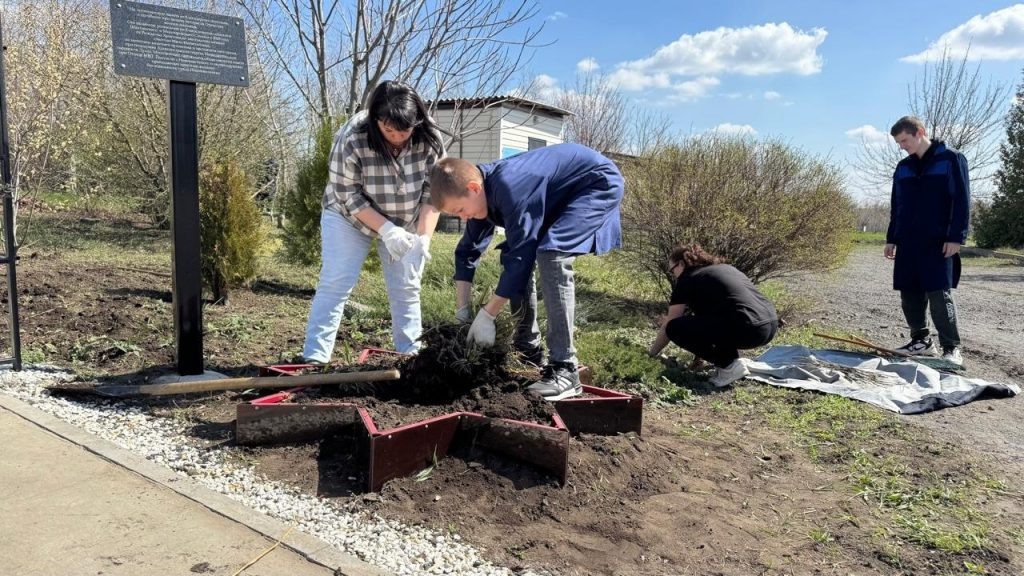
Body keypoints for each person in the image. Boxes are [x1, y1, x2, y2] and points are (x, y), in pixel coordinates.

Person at [429, 143, 624, 401]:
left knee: (551, 255)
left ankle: (565, 370)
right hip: (559, 192)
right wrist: (462, 313)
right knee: (515, 254)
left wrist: (488, 314)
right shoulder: (482, 196)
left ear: (474, 189)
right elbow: (466, 252)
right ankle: (529, 351)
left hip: (594, 183)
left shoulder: (511, 188)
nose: (463, 218)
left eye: (460, 211)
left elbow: (522, 257)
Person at [302, 80, 445, 362]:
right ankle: (315, 359)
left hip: (405, 219)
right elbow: (347, 194)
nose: (397, 137)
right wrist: (386, 229)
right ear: (376, 119)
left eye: (404, 130)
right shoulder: (354, 136)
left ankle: (409, 357)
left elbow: (433, 193)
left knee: (407, 287)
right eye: (388, 130)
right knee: (336, 281)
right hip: (348, 216)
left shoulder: (429, 138)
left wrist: (423, 238)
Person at [885, 116, 969, 366]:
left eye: (905, 140)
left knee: (939, 293)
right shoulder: (903, 167)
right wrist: (892, 238)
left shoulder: (951, 159)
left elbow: (962, 200)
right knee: (909, 291)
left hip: (939, 241)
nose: (902, 146)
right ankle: (921, 341)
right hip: (908, 242)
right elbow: (896, 205)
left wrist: (956, 236)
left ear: (920, 132)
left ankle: (951, 348)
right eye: (899, 142)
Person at [647, 244, 778, 387]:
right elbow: (706, 324)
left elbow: (669, 325)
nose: (673, 274)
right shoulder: (726, 268)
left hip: (747, 329)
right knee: (716, 321)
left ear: (682, 263)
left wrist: (651, 355)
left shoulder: (687, 279)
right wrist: (699, 358)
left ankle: (729, 366)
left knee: (675, 327)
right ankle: (731, 363)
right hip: (769, 325)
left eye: (673, 270)